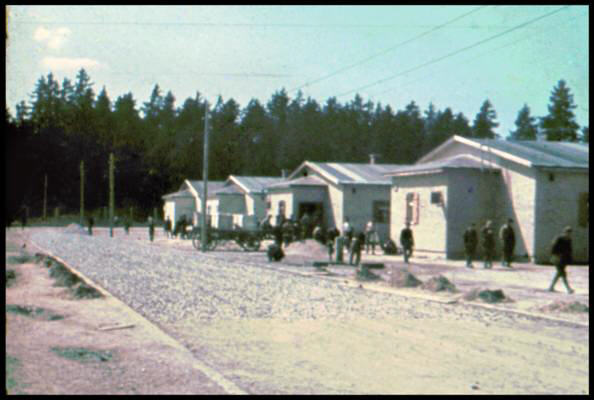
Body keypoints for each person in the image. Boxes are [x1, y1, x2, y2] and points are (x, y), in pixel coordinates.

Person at [548, 226, 575, 294]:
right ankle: (568, 289)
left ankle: (551, 287)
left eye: (570, 233)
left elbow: (569, 250)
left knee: (559, 273)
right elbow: (553, 248)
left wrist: (570, 258)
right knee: (563, 273)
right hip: (557, 258)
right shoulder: (559, 238)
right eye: (567, 232)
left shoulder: (569, 240)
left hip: (563, 259)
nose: (568, 234)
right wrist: (557, 254)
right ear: (564, 232)